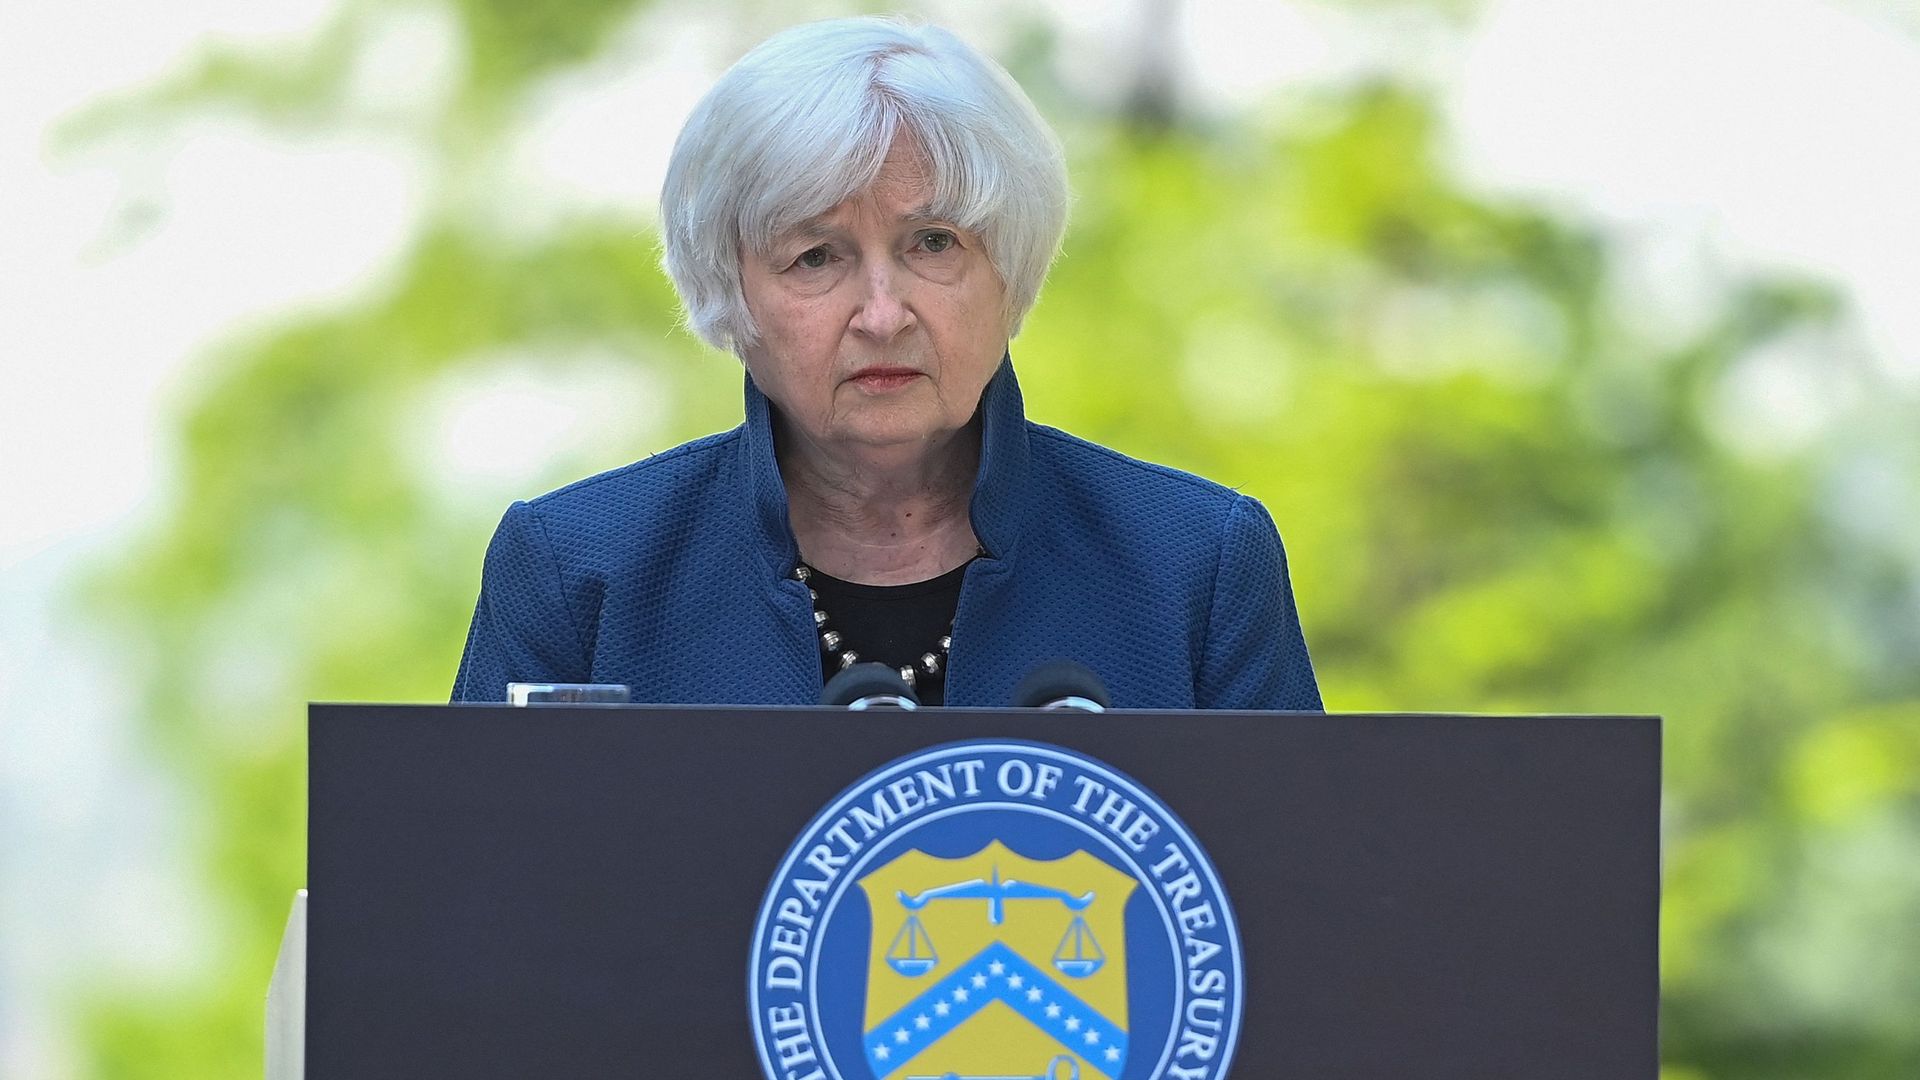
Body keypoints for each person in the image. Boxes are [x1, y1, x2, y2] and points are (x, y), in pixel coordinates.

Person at [452, 16, 1320, 709]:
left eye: (932, 243)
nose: (881, 313)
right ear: (730, 291)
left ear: (1008, 270)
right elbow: (470, 909)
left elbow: (1296, 909)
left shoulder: (1196, 565)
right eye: (816, 257)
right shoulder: (576, 571)